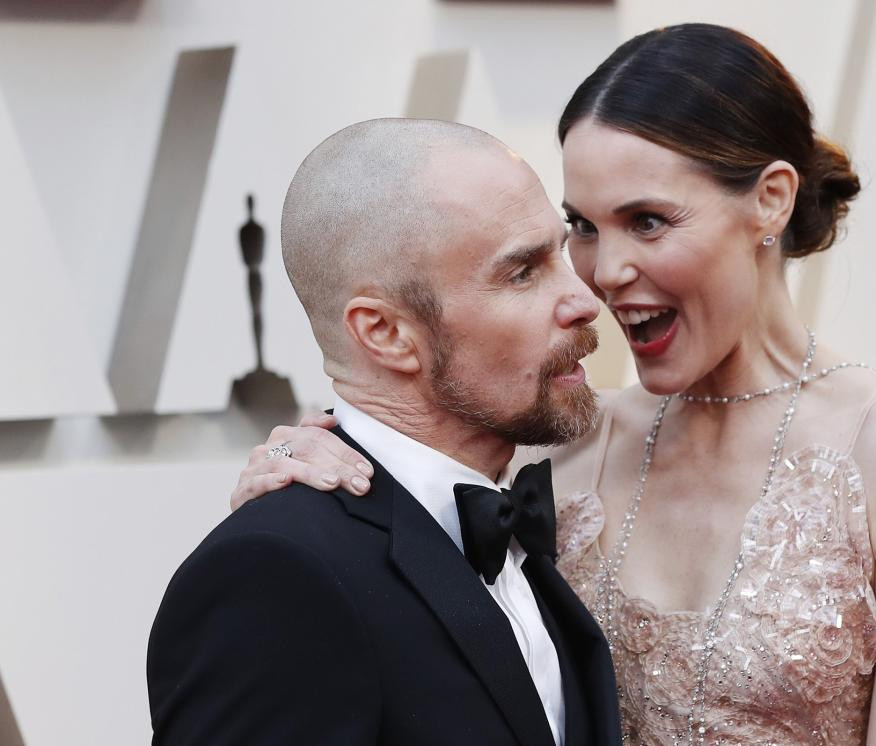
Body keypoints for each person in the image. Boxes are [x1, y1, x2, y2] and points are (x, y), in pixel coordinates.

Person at [232, 24, 876, 745]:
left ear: (771, 198)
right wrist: (305, 468)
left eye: (649, 221)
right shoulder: (558, 442)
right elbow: (400, 540)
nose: (605, 272)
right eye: (586, 227)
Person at [147, 118, 622, 745]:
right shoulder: (277, 575)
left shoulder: (516, 519)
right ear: (386, 333)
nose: (584, 299)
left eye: (559, 253)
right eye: (522, 273)